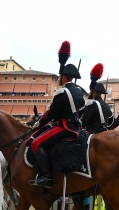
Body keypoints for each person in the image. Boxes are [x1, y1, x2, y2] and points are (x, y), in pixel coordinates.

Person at [28, 41, 87, 187]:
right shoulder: (79, 92)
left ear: (64, 77)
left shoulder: (62, 92)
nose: (59, 79)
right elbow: (83, 108)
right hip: (76, 127)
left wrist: (38, 123)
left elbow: (51, 114)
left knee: (35, 144)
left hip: (63, 127)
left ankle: (47, 178)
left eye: (60, 77)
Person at [79, 63, 115, 134]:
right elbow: (111, 121)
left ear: (94, 93)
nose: (89, 93)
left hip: (92, 134)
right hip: (104, 135)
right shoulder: (107, 106)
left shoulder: (92, 104)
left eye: (91, 91)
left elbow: (84, 122)